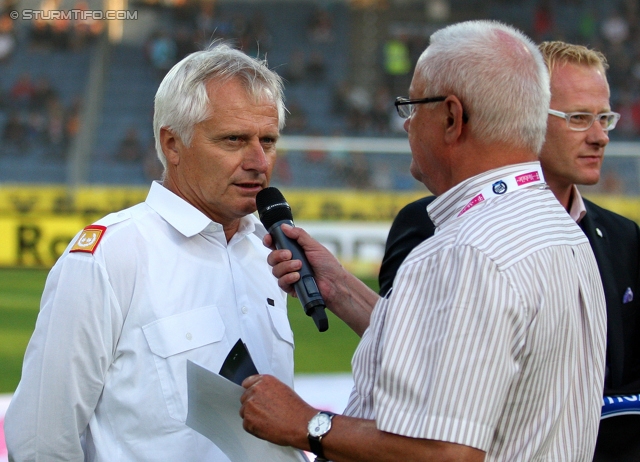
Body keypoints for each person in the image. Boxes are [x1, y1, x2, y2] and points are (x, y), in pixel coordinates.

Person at [239, 21, 607, 461]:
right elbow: (465, 355)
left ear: (452, 117)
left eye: (412, 106)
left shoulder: (464, 252)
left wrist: (307, 424)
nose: (408, 124)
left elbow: (448, 454)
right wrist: (338, 287)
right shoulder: (562, 229)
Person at [5, 43, 293, 461]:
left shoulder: (266, 254)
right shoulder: (112, 254)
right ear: (172, 144)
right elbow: (39, 440)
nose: (258, 161)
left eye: (268, 141)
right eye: (234, 140)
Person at [378, 40, 640, 461]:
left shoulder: (623, 237)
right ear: (525, 116)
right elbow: (406, 357)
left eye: (604, 118)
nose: (600, 136)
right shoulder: (429, 225)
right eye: (578, 118)